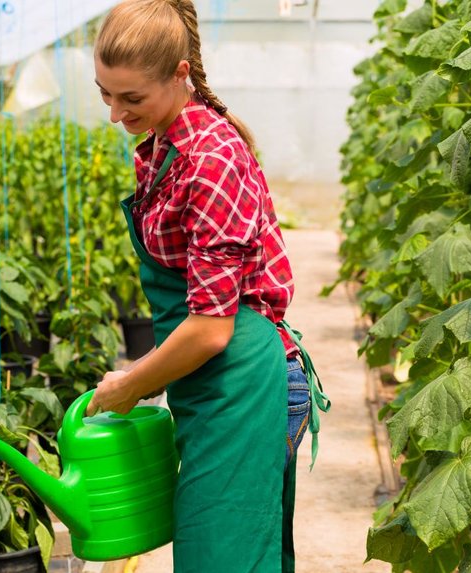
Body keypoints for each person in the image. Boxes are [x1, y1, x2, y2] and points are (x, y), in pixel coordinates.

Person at [84, 1, 329, 571]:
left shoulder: (211, 158)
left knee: (224, 559)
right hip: (209, 384)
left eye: (132, 99)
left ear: (178, 72)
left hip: (241, 378)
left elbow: (211, 328)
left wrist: (130, 384)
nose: (115, 114)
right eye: (105, 94)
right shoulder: (163, 146)